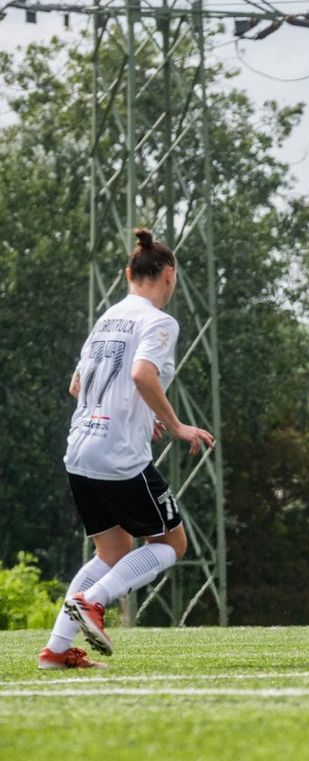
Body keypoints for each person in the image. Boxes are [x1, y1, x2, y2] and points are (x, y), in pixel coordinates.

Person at [37, 228, 215, 670]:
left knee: (111, 552)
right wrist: (174, 425)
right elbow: (140, 375)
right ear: (169, 275)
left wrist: (140, 415)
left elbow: (78, 385)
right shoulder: (158, 321)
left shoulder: (106, 318)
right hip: (117, 456)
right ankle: (94, 602)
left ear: (128, 273)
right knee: (172, 543)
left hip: (80, 451)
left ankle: (56, 651)